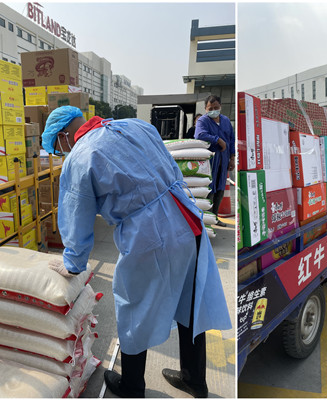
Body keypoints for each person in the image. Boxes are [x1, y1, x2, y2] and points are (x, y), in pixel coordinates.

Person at [41, 106, 232, 398]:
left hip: (149, 232)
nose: (61, 153)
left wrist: (73, 263)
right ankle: (194, 380)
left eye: (57, 148)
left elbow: (76, 215)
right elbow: (171, 168)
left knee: (133, 306)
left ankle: (132, 387)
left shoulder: (80, 156)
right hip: (186, 218)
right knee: (190, 301)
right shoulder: (135, 125)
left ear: (63, 135)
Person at [194, 95, 235, 227]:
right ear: (205, 109)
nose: (213, 110)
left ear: (220, 107)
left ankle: (215, 217)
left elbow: (231, 139)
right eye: (210, 108)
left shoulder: (226, 121)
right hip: (210, 159)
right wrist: (217, 140)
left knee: (220, 187)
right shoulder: (203, 121)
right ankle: (206, 219)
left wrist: (232, 158)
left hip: (224, 158)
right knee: (209, 187)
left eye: (216, 108)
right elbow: (199, 135)